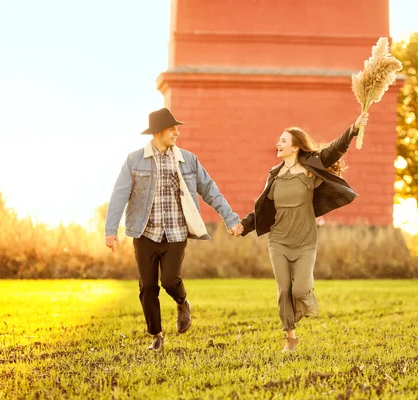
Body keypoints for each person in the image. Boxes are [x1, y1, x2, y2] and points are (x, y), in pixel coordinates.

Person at [105, 107, 243, 352]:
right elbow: (119, 194)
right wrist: (110, 229)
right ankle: (157, 335)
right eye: (172, 129)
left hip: (176, 233)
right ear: (158, 132)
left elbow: (209, 190)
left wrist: (230, 218)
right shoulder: (135, 160)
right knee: (147, 286)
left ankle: (182, 302)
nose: (177, 132)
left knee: (169, 280)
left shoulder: (187, 160)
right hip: (145, 232)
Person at [236, 111, 368, 353]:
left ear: (296, 147)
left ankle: (303, 300)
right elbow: (264, 207)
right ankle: (290, 337)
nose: (278, 143)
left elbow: (334, 150)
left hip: (305, 240)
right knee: (284, 289)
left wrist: (353, 129)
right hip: (278, 240)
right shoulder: (274, 175)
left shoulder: (310, 168)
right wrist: (243, 225)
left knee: (299, 289)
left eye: (283, 140)